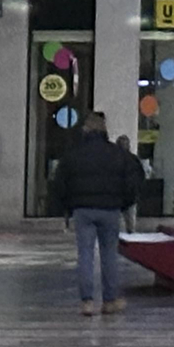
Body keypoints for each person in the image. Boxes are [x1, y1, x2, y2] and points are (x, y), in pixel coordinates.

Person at [47, 112, 144, 316]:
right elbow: (132, 180)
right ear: (105, 130)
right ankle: (109, 300)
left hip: (83, 210)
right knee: (109, 255)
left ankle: (87, 301)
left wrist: (67, 206)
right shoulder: (117, 154)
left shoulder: (74, 154)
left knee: (85, 254)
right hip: (110, 210)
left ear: (85, 130)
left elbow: (60, 183)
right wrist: (124, 204)